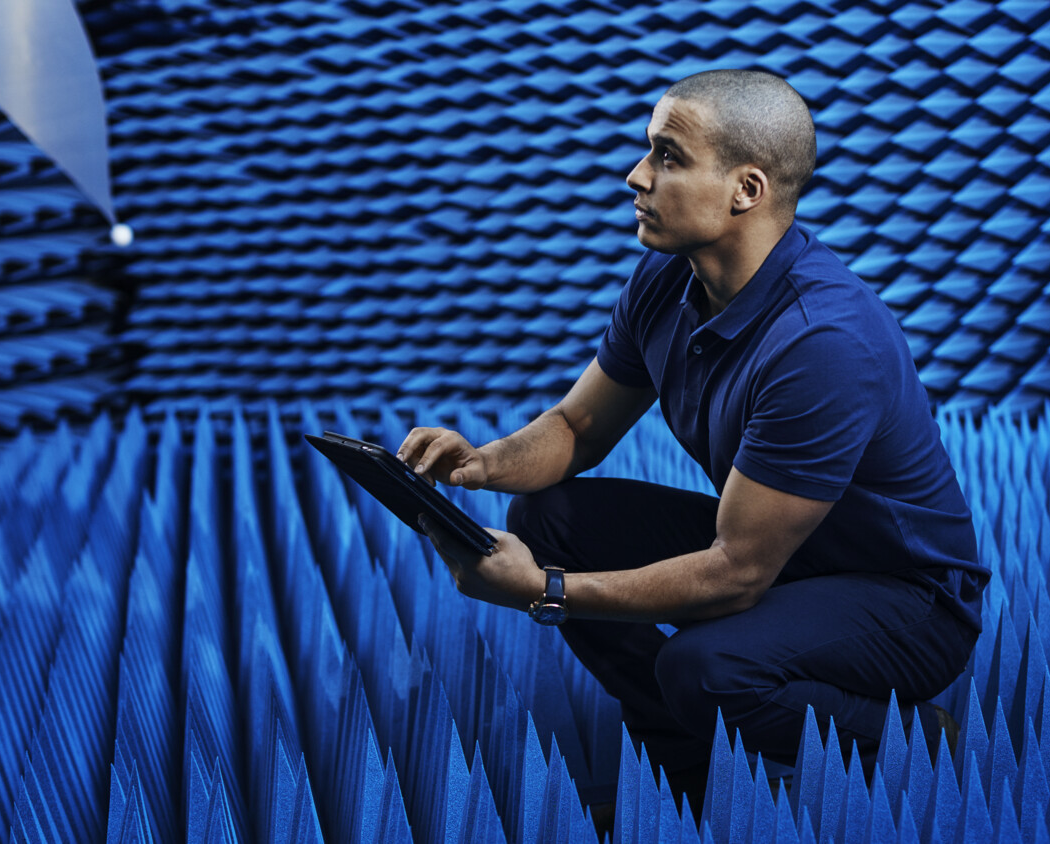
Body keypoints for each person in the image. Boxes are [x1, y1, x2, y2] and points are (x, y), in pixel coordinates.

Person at [396, 69, 987, 816]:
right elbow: (578, 429)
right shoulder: (666, 280)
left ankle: (902, 733)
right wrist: (482, 464)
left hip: (905, 602)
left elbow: (738, 573)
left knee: (704, 667)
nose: (635, 176)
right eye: (649, 152)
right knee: (548, 520)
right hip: (786, 555)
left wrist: (547, 593)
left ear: (746, 190)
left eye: (668, 157)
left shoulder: (824, 343)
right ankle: (682, 755)